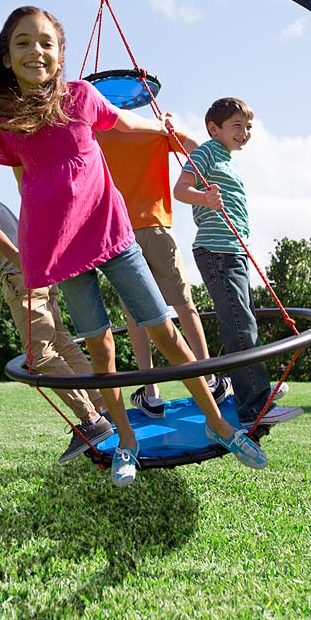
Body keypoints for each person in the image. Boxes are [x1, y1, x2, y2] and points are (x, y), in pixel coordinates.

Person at [0, 6, 268, 487]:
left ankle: (220, 425)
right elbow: (25, 183)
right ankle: (126, 444)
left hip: (113, 234)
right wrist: (36, 248)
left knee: (166, 333)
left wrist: (163, 130)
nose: (36, 50)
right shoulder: (8, 123)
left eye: (45, 42)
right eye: (22, 43)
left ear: (60, 54)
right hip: (63, 250)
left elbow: (120, 122)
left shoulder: (81, 96)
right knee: (100, 349)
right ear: (8, 57)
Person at [0, 156, 112, 464]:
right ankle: (101, 402)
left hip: (22, 278)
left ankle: (90, 420)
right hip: (41, 276)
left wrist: (20, 263)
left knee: (39, 355)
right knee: (63, 344)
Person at [174, 97, 303, 434]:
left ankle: (254, 387)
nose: (245, 133)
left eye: (248, 127)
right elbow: (181, 189)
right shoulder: (205, 153)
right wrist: (204, 198)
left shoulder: (226, 159)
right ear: (214, 129)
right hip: (217, 252)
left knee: (246, 322)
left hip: (234, 252)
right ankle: (252, 405)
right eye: (237, 126)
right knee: (240, 325)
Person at [94, 119, 233, 415]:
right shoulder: (153, 131)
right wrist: (171, 128)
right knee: (184, 305)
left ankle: (151, 391)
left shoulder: (96, 135)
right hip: (156, 226)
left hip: (119, 233)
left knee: (135, 313)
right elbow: (195, 149)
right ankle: (208, 379)